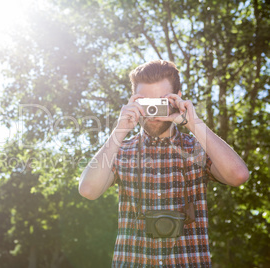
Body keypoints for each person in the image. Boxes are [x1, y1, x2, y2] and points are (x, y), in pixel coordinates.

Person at [78, 60, 249, 267]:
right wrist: (119, 131)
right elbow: (88, 190)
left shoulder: (197, 148)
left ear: (177, 97)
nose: (153, 110)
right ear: (134, 101)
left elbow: (238, 176)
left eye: (160, 102)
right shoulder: (120, 150)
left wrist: (193, 123)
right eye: (146, 102)